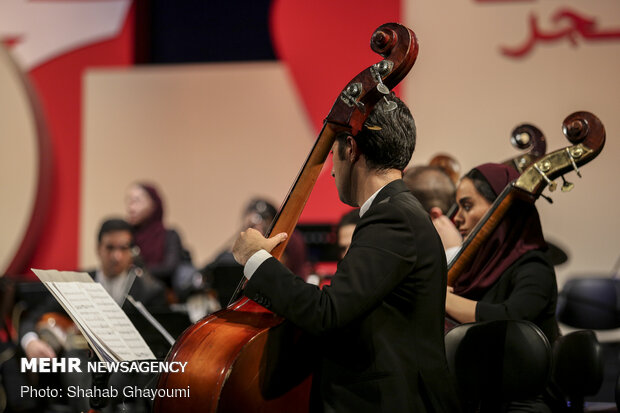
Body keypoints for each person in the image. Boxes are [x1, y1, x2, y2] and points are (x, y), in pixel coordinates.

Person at [232, 95, 461, 412]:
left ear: (352, 149)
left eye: (333, 156)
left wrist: (255, 259)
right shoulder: (398, 211)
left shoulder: (392, 217)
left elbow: (327, 314)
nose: (330, 172)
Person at [438, 163, 561, 412]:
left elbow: (512, 318)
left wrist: (442, 298)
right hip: (479, 391)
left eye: (468, 206)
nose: (457, 217)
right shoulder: (476, 267)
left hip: (524, 400)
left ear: (502, 209)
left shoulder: (534, 266)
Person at [19, 218, 168, 413]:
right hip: (83, 359)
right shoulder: (78, 283)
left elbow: (156, 344)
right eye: (110, 248)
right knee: (74, 359)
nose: (117, 256)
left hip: (126, 366)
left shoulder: (149, 290)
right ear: (98, 248)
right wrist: (30, 341)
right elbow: (33, 317)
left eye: (124, 248)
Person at [125, 182, 199, 300]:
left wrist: (138, 272)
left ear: (153, 204)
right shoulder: (127, 237)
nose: (131, 207)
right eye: (129, 201)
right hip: (131, 298)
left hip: (164, 301)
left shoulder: (169, 236)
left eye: (137, 201)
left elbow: (169, 268)